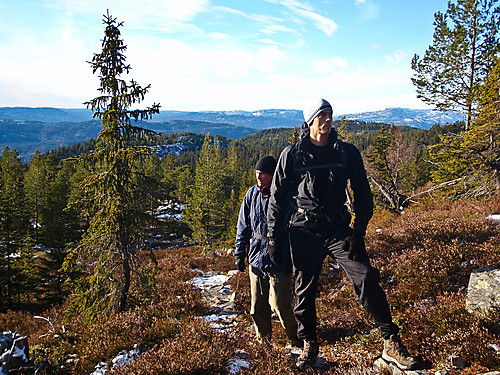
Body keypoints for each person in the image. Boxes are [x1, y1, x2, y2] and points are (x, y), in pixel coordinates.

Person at [266, 99, 416, 370]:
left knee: (366, 275)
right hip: (303, 230)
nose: (327, 119)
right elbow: (276, 199)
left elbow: (362, 193)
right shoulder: (292, 154)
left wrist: (358, 232)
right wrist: (273, 238)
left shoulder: (346, 152)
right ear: (310, 121)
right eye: (321, 115)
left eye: (330, 114)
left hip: (337, 228)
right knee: (304, 291)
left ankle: (390, 340)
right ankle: (309, 343)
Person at [234, 155, 299, 346]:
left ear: (272, 175)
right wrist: (239, 253)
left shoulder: (285, 195)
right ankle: (264, 344)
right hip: (255, 257)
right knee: (257, 308)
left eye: (262, 174)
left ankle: (297, 340)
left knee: (281, 306)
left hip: (279, 258)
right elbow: (243, 226)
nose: (258, 178)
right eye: (256, 174)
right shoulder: (251, 195)